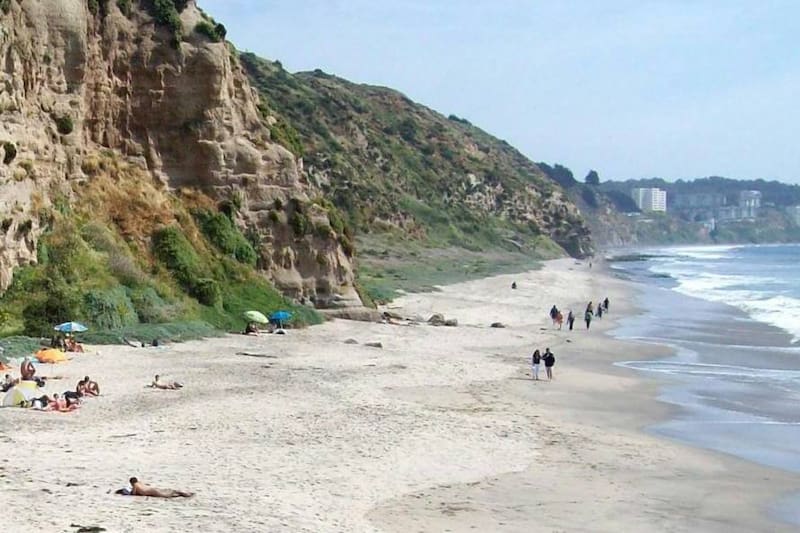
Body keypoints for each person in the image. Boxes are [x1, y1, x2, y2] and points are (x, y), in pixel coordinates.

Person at [122, 477, 194, 498]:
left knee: (166, 495)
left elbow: (133, 494)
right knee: (167, 493)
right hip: (152, 489)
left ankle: (185, 494)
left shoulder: (135, 485)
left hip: (152, 492)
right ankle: (183, 493)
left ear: (131, 482)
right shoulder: (140, 483)